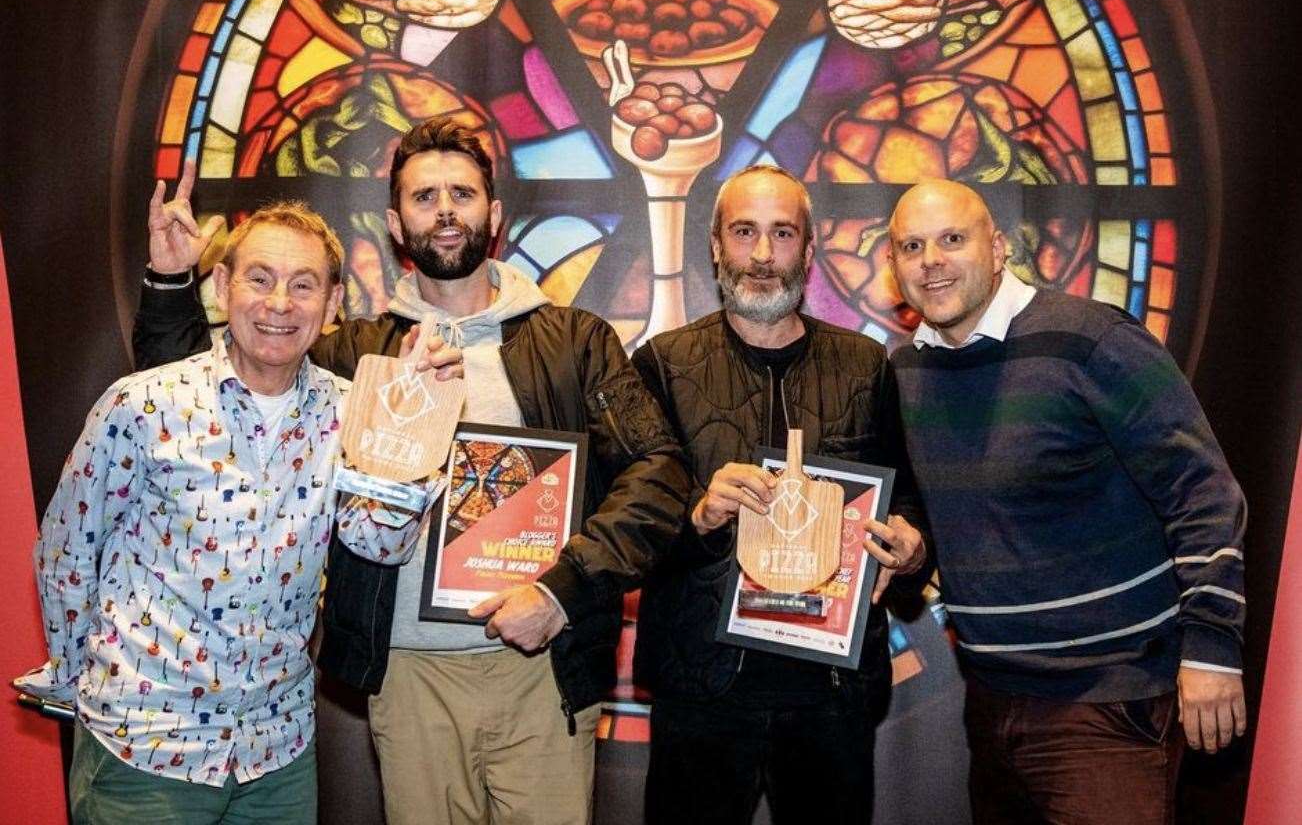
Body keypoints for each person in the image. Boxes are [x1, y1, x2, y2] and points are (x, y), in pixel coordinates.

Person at [132, 116, 692, 825]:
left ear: (495, 212)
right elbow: (201, 397)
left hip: (543, 664)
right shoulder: (352, 355)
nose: (447, 210)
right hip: (409, 672)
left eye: (462, 192)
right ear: (396, 223)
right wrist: (168, 279)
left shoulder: (575, 341)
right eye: (425, 197)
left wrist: (562, 589)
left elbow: (659, 473)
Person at [16, 197, 436, 823]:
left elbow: (379, 543)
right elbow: (65, 554)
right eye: (259, 279)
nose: (278, 304)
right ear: (222, 286)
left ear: (333, 305)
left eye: (303, 285)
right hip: (143, 745)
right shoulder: (143, 404)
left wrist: (411, 422)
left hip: (276, 754)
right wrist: (89, 686)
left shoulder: (354, 413)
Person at [886, 179, 1248, 824]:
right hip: (992, 699)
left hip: (1109, 701)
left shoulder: (1092, 340)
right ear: (895, 267)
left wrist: (1210, 647)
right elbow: (934, 501)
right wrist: (912, 543)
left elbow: (1204, 492)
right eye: (911, 246)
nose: (931, 260)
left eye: (951, 239)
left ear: (997, 249)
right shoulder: (907, 372)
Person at [630, 164, 929, 824]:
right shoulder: (662, 365)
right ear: (715, 246)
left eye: (782, 234)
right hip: (703, 684)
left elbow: (908, 500)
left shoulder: (864, 365)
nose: (763, 255)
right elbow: (630, 530)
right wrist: (700, 515)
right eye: (744, 233)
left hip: (830, 691)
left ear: (809, 251)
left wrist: (909, 546)